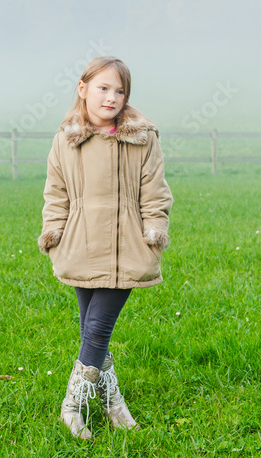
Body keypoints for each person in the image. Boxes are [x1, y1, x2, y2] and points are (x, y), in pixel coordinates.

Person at [38, 55, 173, 439]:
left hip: (125, 248)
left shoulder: (142, 139)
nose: (111, 97)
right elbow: (56, 193)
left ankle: (72, 406)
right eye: (103, 88)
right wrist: (54, 232)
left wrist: (154, 231)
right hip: (79, 244)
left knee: (97, 329)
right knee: (89, 330)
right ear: (83, 89)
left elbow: (155, 192)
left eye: (119, 90)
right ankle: (113, 404)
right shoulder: (66, 140)